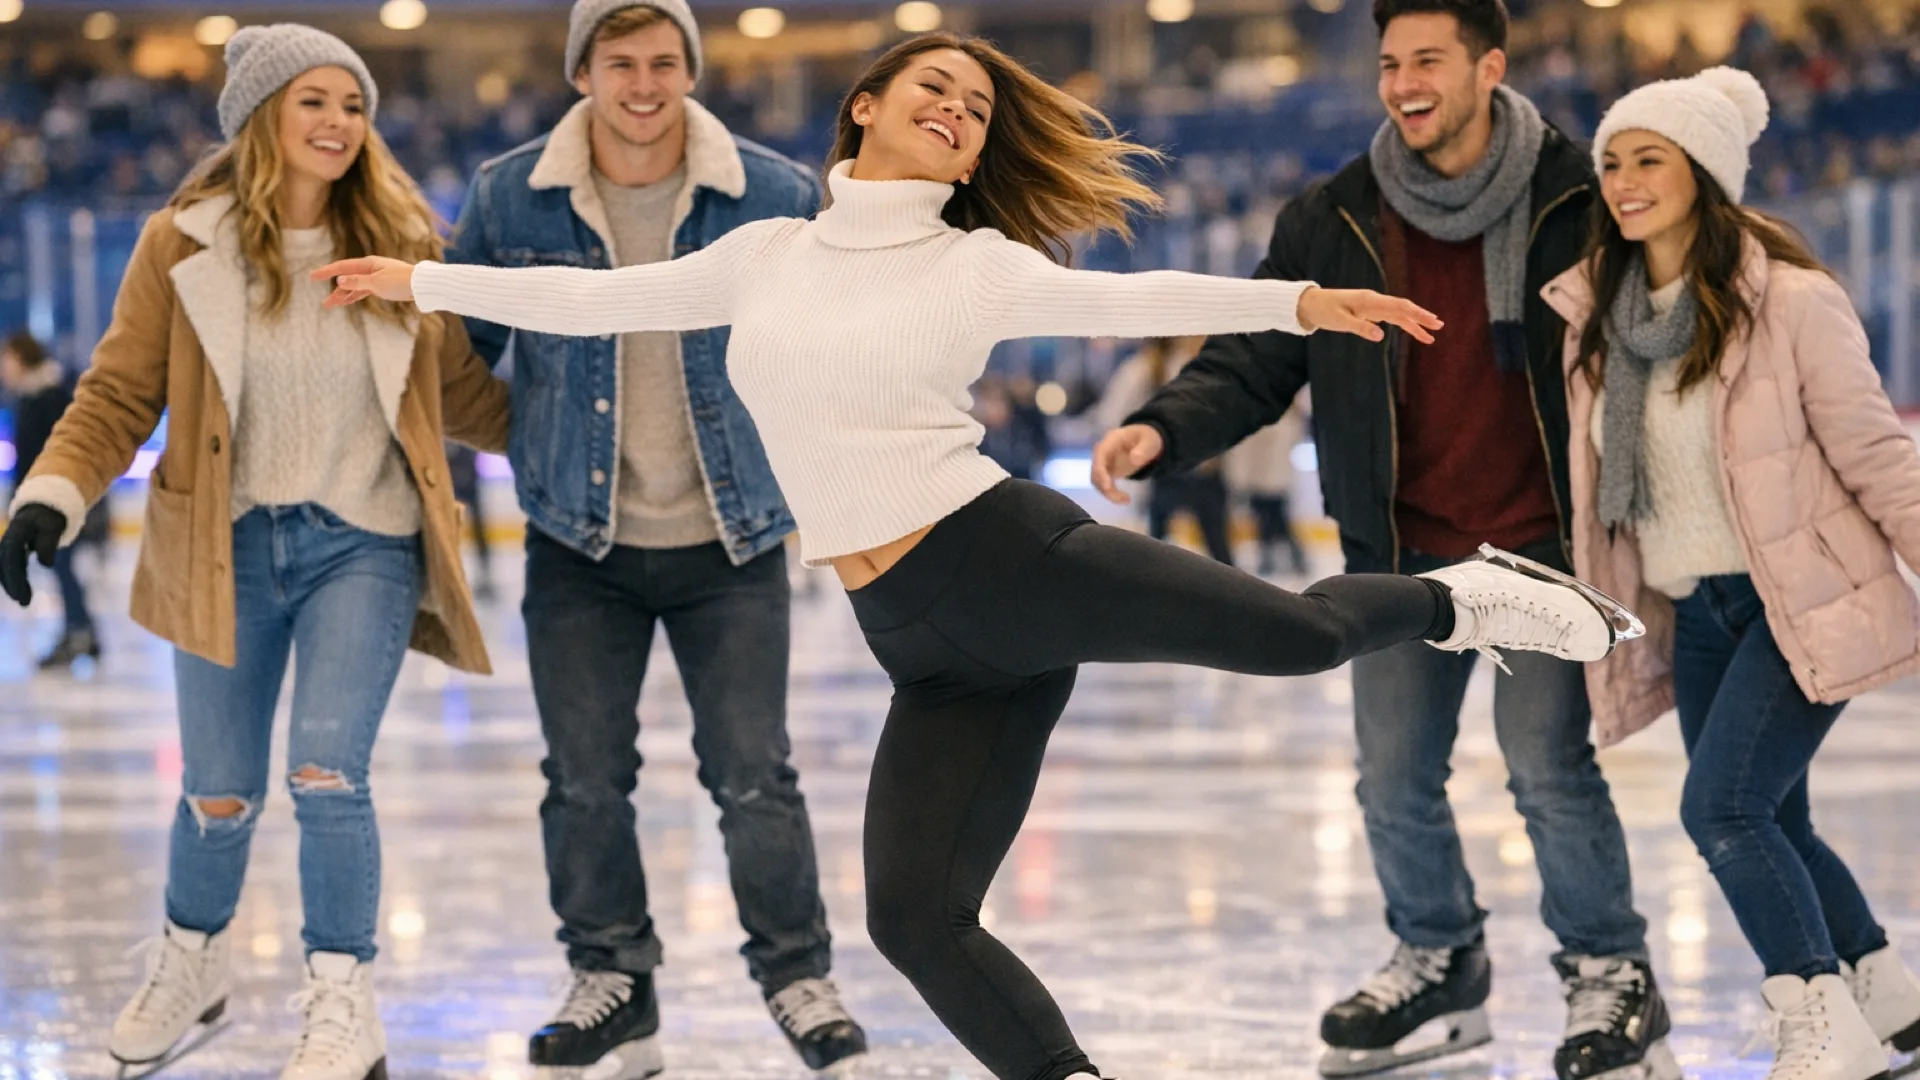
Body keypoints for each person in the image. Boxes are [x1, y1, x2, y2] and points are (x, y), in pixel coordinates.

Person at [314, 32, 1641, 1080]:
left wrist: (1299, 302)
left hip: (1009, 557)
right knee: (913, 919)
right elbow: (589, 301)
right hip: (925, 649)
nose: (961, 111)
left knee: (1295, 638)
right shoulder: (762, 255)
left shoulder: (976, 264)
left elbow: (1134, 299)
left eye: (979, 109)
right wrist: (418, 282)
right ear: (866, 114)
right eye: (934, 90)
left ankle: (1469, 595)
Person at [1091, 2, 1672, 1076]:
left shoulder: (1574, 198)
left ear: (1491, 66)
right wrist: (1161, 427)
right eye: (1390, 61)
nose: (1404, 81)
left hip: (1541, 546)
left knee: (1548, 767)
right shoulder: (1337, 216)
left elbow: (1662, 337)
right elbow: (1259, 353)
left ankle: (1609, 972)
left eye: (1429, 60)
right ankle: (1440, 961)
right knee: (1393, 777)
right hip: (1400, 557)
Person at [0, 26, 510, 1080]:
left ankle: (342, 1001)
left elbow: (471, 402)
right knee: (218, 792)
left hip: (361, 544)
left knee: (329, 774)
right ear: (259, 116)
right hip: (220, 542)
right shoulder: (180, 242)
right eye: (312, 100)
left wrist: (601, 428)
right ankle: (190, 966)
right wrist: (50, 496)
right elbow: (117, 393)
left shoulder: (408, 244)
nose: (337, 122)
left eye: (353, 105)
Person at [440, 2, 863, 1073]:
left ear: (691, 70)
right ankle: (613, 977)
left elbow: (832, 350)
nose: (644, 83)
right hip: (578, 545)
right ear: (582, 71)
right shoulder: (507, 196)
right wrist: (530, 446)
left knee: (752, 772)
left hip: (732, 540)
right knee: (584, 778)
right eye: (620, 62)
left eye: (664, 62)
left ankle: (796, 974)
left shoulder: (768, 194)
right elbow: (458, 357)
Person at [1547, 66, 1920, 1080]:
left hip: (1798, 600)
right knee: (1775, 812)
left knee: (1723, 810)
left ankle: (1823, 1018)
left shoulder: (1795, 303)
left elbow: (1877, 456)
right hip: (1695, 610)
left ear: (1705, 172)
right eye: (1612, 162)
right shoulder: (1602, 323)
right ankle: (1887, 994)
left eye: (1648, 160)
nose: (1622, 180)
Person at [2, 330, 101, 668]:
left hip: (56, 503)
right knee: (62, 569)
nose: (4, 368)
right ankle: (81, 630)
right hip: (38, 501)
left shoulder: (49, 396)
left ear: (22, 358)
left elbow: (61, 452)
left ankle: (80, 631)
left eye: (8, 360)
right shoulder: (31, 395)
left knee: (63, 567)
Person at [1093, 336, 1236, 564]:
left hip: (1204, 471)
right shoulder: (1144, 368)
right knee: (1155, 550)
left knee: (1217, 546)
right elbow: (1111, 414)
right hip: (1166, 468)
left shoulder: (1207, 364)